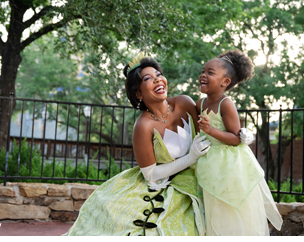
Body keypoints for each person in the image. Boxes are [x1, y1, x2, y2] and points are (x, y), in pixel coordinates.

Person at [63, 53, 211, 236]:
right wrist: (190, 158)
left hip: (202, 176)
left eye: (159, 75)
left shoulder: (185, 102)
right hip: (163, 184)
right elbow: (150, 174)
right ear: (138, 93)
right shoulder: (143, 126)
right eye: (148, 78)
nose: (158, 80)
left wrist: (234, 134)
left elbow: (208, 132)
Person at [195, 49, 283, 236]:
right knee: (213, 208)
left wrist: (212, 130)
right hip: (208, 162)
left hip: (229, 164)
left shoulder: (225, 104)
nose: (203, 75)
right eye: (203, 71)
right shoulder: (200, 104)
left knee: (231, 208)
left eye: (210, 72)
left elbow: (236, 139)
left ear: (225, 82)